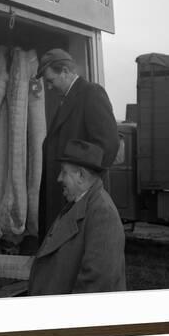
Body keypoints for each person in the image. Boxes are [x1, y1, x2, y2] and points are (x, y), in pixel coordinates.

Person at [36, 48, 119, 242]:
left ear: (64, 71)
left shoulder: (91, 93)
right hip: (64, 194)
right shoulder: (66, 101)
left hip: (77, 197)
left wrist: (83, 184)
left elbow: (108, 144)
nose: (48, 87)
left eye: (50, 80)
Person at [28, 140, 126, 295]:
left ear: (81, 175)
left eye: (64, 172)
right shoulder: (79, 203)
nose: (59, 178)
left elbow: (98, 284)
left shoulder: (102, 213)